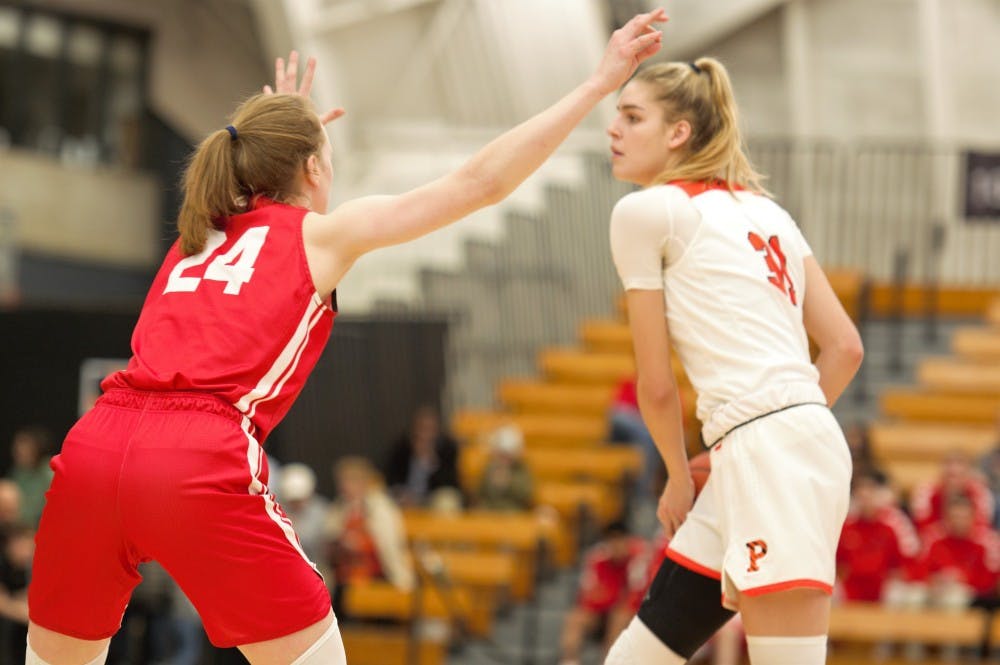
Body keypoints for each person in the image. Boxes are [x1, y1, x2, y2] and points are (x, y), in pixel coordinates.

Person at [26, 11, 667, 665]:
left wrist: (284, 127)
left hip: (95, 446)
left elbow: (257, 180)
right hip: (194, 455)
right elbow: (481, 182)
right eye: (327, 160)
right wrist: (596, 84)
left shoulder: (202, 229)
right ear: (310, 169)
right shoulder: (319, 235)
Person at [602, 57, 864, 665]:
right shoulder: (769, 211)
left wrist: (673, 473)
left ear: (679, 134)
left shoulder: (646, 212)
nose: (612, 129)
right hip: (770, 446)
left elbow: (657, 384)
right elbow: (845, 347)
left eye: (632, 116)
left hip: (765, 455)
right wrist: (770, 428)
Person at [325, 457, 414, 619]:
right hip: (346, 575)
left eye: (349, 481)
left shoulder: (381, 506)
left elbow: (387, 543)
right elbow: (331, 536)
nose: (343, 487)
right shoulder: (340, 507)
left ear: (362, 482)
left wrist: (360, 543)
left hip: (377, 574)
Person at [560, 522, 650, 665]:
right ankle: (569, 662)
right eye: (611, 542)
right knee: (576, 618)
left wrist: (609, 596)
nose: (615, 547)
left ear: (627, 540)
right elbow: (587, 597)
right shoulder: (598, 558)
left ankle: (608, 662)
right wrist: (612, 598)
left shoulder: (640, 556)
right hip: (603, 611)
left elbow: (636, 596)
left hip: (634, 614)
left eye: (618, 541)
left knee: (619, 616)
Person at [836, 468, 920, 602]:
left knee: (902, 593)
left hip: (883, 585)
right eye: (861, 495)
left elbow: (907, 561)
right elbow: (837, 562)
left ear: (878, 496)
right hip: (851, 585)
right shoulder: (846, 526)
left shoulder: (893, 524)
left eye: (870, 494)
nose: (866, 500)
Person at [384, 405, 461, 508]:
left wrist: (432, 462)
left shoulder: (447, 449)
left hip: (432, 497)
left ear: (437, 431)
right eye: (421, 428)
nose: (424, 434)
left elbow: (451, 484)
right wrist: (402, 493)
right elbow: (391, 478)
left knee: (447, 501)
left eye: (429, 429)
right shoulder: (401, 448)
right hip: (404, 496)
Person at [910, 450, 994, 536]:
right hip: (937, 542)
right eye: (950, 475)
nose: (954, 481)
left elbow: (983, 527)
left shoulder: (980, 492)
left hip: (970, 541)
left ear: (968, 473)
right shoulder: (926, 492)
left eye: (958, 475)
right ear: (942, 473)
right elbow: (923, 528)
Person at [476, 424, 534, 511]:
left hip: (513, 512)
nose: (504, 459)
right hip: (488, 511)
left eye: (507, 455)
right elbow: (479, 491)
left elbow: (527, 494)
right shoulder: (489, 466)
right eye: (501, 454)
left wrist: (509, 482)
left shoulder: (522, 469)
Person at [6, 427, 54, 528]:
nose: (19, 452)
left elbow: (48, 508)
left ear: (37, 449)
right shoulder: (18, 472)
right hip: (17, 525)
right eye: (17, 449)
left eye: (24, 449)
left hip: (39, 526)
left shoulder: (49, 473)